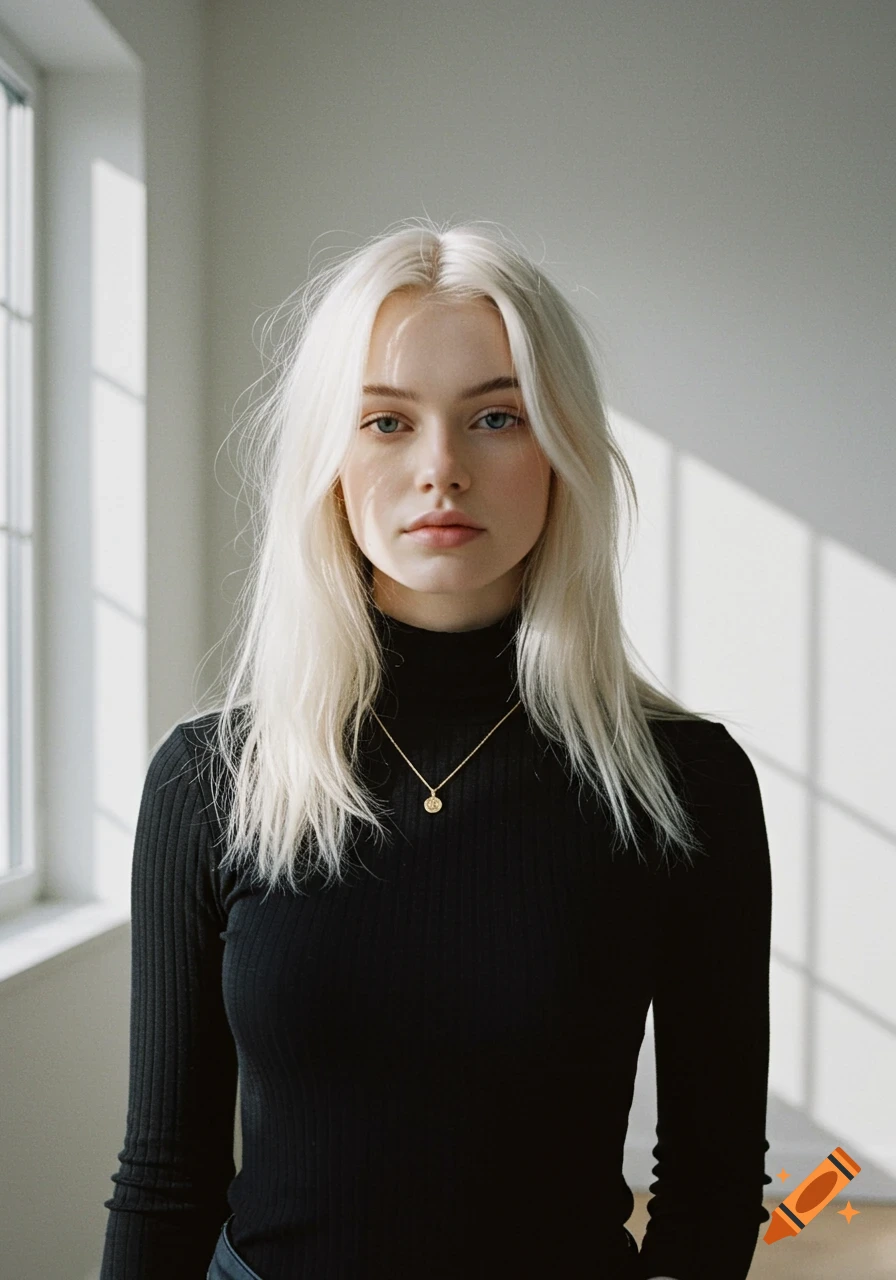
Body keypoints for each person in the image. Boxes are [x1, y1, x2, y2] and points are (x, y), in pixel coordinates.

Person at [98, 219, 772, 1280]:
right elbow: (164, 1175)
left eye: (495, 415)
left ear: (560, 449)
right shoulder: (208, 777)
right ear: (327, 458)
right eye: (384, 420)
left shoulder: (684, 782)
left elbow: (714, 1176)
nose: (440, 468)